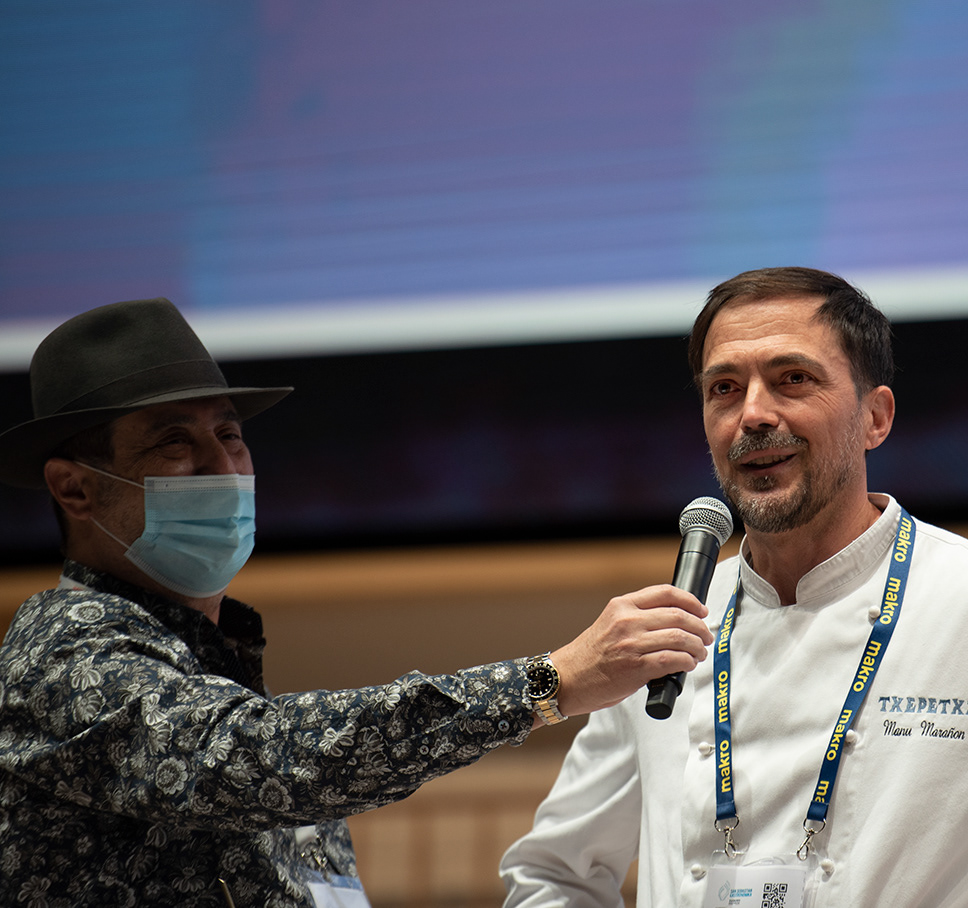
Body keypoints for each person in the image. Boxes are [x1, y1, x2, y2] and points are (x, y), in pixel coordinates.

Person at [500, 267, 968, 907]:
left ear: (875, 417)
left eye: (793, 379)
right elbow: (550, 875)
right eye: (724, 388)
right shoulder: (661, 633)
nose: (753, 414)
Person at [0, 297, 714, 908]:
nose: (222, 466)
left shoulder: (210, 668)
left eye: (229, 434)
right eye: (173, 443)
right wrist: (546, 683)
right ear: (74, 488)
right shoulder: (59, 650)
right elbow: (261, 757)